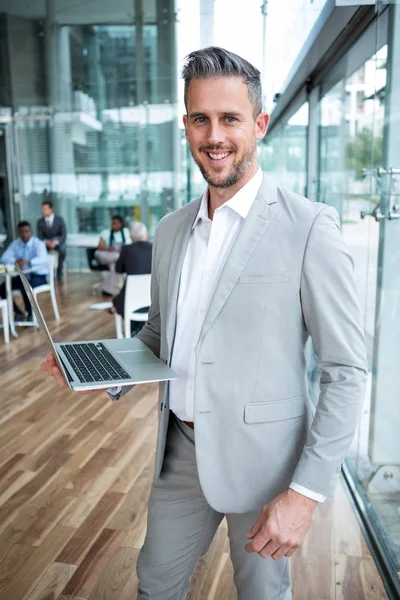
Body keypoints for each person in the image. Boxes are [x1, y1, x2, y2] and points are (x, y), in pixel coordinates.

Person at [41, 47, 368, 599]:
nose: (214, 135)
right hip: (180, 453)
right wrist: (98, 367)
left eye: (230, 118)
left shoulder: (310, 227)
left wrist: (305, 493)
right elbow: (157, 336)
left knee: (262, 593)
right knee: (154, 584)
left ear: (259, 124)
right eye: (200, 119)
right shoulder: (171, 230)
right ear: (186, 126)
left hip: (265, 466)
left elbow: (347, 371)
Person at [1, 221, 49, 320]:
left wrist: (29, 262)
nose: (24, 234)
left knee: (25, 285)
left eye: (26, 231)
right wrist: (15, 261)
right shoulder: (15, 244)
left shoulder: (38, 243)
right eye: (21, 232)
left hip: (38, 276)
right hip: (23, 276)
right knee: (2, 288)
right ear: (18, 233)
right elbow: (4, 259)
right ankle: (18, 312)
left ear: (31, 232)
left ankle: (30, 314)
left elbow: (43, 258)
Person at [109, 221, 152, 318]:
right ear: (147, 235)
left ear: (131, 237)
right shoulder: (155, 248)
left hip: (130, 302)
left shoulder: (126, 249)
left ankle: (133, 329)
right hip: (153, 301)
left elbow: (118, 270)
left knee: (117, 300)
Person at [96, 215, 130, 296]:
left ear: (121, 224)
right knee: (118, 257)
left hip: (116, 256)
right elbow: (99, 247)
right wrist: (108, 249)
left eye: (116, 223)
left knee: (114, 266)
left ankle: (107, 291)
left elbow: (129, 244)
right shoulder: (106, 232)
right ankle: (120, 287)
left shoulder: (125, 231)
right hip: (105, 255)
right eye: (112, 223)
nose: (113, 225)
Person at [36, 200, 67, 281]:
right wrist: (47, 242)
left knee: (62, 249)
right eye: (42, 209)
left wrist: (55, 242)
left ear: (51, 209)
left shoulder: (59, 220)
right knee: (39, 250)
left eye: (45, 209)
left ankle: (59, 272)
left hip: (57, 243)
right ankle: (46, 272)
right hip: (46, 244)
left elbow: (63, 235)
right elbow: (39, 237)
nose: (43, 211)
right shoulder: (40, 222)